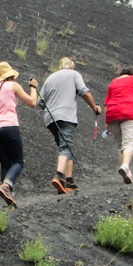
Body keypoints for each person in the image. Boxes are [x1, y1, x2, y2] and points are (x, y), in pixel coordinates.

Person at [39, 57, 101, 194]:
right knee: (66, 147)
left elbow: (40, 102)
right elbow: (84, 92)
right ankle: (58, 175)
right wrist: (94, 108)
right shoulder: (74, 74)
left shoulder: (50, 78)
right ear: (72, 67)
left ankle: (69, 181)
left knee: (65, 148)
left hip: (50, 119)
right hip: (66, 116)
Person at [0, 62, 39, 207]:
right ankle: (6, 186)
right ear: (9, 75)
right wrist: (33, 87)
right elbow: (32, 102)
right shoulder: (13, 86)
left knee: (5, 164)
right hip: (10, 126)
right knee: (18, 162)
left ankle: (9, 199)